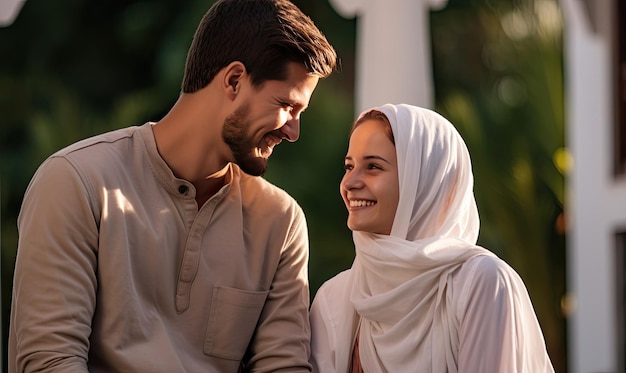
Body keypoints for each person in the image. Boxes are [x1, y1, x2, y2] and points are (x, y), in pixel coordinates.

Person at [9, 1, 337, 372]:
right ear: (233, 80)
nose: (293, 131)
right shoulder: (78, 182)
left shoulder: (280, 221)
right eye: (286, 106)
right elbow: (49, 361)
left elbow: (283, 367)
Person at [309, 104, 555, 372]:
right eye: (349, 166)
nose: (350, 183)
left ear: (424, 180)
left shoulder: (481, 283)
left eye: (373, 167)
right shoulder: (334, 300)